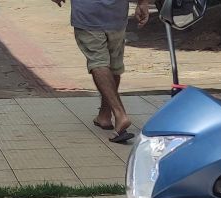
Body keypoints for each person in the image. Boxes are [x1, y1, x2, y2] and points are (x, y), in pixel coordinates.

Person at [52, 0, 150, 142]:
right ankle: (105, 115)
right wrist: (143, 3)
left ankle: (120, 115)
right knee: (113, 65)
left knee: (98, 62)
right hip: (117, 15)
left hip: (88, 15)